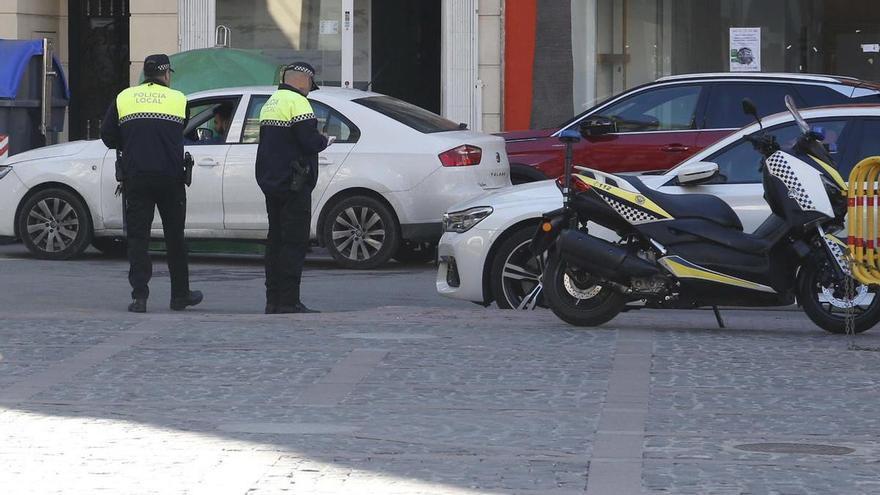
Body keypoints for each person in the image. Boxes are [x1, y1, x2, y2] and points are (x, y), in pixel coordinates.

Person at [100, 54, 203, 313]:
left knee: (138, 239)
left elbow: (107, 135)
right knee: (175, 238)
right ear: (167, 74)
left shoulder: (124, 97)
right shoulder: (179, 99)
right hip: (170, 177)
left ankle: (139, 298)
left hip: (136, 177)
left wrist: (132, 144)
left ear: (145, 74)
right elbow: (179, 129)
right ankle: (180, 295)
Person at [255, 62, 329, 314]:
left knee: (274, 240)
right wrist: (324, 140)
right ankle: (289, 301)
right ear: (303, 81)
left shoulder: (271, 103)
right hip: (294, 185)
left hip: (271, 183)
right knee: (294, 243)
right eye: (310, 84)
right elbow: (308, 142)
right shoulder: (299, 103)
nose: (310, 90)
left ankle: (272, 300)